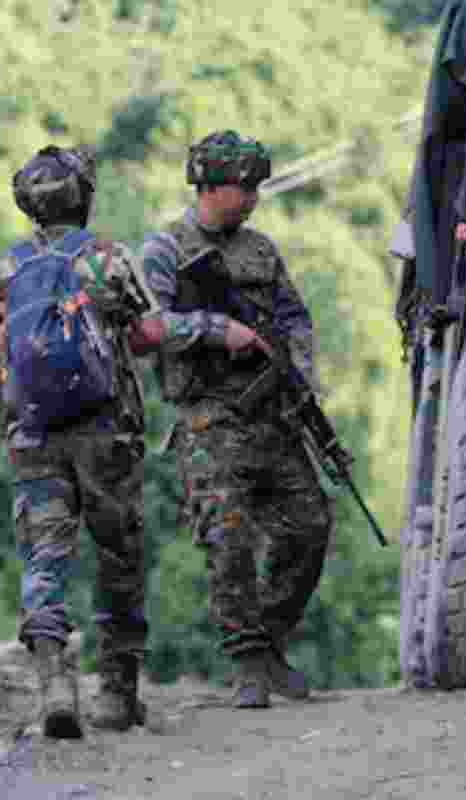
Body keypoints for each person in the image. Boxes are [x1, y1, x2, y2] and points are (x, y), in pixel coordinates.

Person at [132, 129, 333, 709]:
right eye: (240, 188)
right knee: (229, 539)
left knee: (310, 526)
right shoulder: (166, 250)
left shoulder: (261, 252)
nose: (250, 199)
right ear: (208, 187)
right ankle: (248, 661)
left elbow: (295, 317)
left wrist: (300, 371)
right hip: (209, 420)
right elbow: (150, 329)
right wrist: (219, 331)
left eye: (254, 189)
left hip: (271, 415)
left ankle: (268, 642)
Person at [0, 145, 151, 736]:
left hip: (34, 437)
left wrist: (16, 407)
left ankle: (54, 687)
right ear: (85, 196)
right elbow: (147, 333)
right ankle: (118, 694)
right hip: (106, 434)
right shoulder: (108, 258)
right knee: (118, 557)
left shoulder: (6, 269)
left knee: (44, 562)